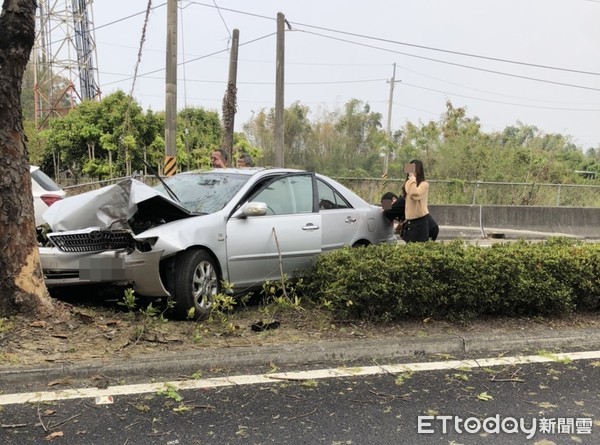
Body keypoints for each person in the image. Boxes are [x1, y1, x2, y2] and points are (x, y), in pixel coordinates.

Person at [402, 159, 432, 243]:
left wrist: (412, 178)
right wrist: (411, 179)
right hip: (410, 222)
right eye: (409, 169)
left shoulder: (424, 184)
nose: (409, 172)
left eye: (412, 169)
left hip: (420, 221)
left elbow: (415, 194)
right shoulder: (409, 183)